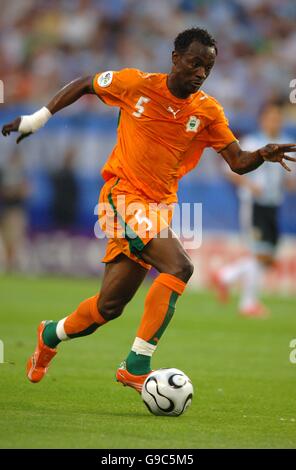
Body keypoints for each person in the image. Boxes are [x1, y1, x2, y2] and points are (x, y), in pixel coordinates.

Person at [2, 28, 296, 392]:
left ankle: (50, 333)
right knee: (180, 266)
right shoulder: (135, 85)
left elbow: (237, 161)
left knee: (108, 307)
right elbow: (86, 83)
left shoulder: (207, 111)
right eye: (195, 63)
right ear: (175, 59)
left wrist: (260, 156)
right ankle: (136, 364)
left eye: (209, 67)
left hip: (158, 209)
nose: (201, 73)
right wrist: (38, 118)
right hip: (122, 197)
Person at [212, 100, 296, 317]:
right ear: (262, 119)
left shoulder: (286, 143)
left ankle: (226, 275)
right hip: (253, 204)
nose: (274, 121)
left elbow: (289, 178)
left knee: (268, 255)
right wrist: (250, 185)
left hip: (273, 204)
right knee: (260, 253)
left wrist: (289, 183)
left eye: (278, 117)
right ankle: (248, 303)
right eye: (270, 117)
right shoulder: (252, 142)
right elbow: (229, 169)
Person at [0, 150, 29, 272]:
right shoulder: (5, 173)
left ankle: (12, 265)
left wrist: (15, 191)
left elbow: (25, 191)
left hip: (16, 210)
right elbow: (6, 192)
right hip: (7, 210)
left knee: (15, 239)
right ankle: (9, 264)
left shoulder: (21, 174)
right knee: (8, 239)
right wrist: (14, 191)